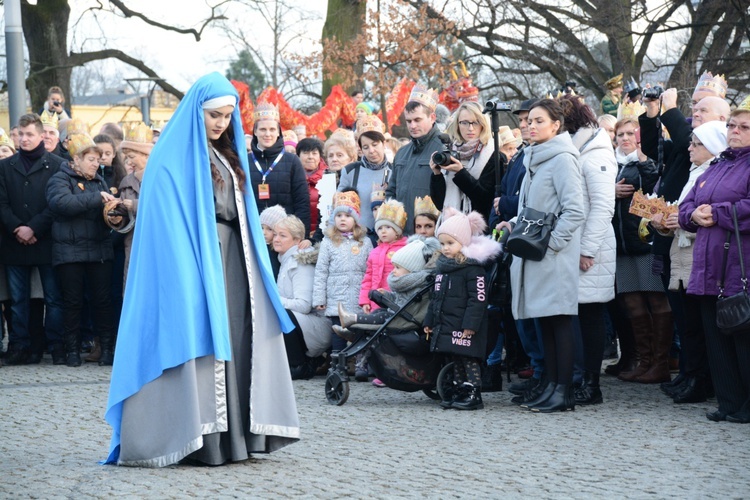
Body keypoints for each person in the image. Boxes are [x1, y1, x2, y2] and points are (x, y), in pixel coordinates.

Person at [104, 72, 299, 467]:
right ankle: (199, 438)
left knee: (237, 339)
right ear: (197, 111)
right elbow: (164, 220)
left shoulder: (228, 155)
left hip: (233, 260)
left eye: (227, 116)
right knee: (198, 343)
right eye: (213, 114)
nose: (220, 123)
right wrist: (187, 270)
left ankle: (236, 437)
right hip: (194, 261)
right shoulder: (169, 157)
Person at [497, 98, 585, 412]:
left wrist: (553, 245)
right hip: (536, 255)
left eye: (538, 121)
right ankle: (550, 384)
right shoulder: (536, 157)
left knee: (559, 321)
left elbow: (575, 210)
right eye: (529, 121)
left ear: (556, 125)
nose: (530, 126)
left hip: (552, 256)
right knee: (545, 321)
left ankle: (564, 391)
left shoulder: (562, 159)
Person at [678, 97, 750, 424]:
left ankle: (746, 404)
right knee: (716, 340)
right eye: (732, 125)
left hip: (739, 266)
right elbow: (686, 206)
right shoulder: (718, 165)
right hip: (708, 268)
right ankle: (729, 403)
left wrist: (716, 213)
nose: (734, 131)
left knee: (742, 339)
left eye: (743, 127)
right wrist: (693, 213)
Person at [651, 120, 727, 404]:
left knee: (697, 322)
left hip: (697, 254)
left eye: (697, 144)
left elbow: (700, 215)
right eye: (691, 142)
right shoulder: (695, 172)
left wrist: (680, 219)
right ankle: (689, 373)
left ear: (713, 148)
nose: (690, 147)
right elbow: (683, 213)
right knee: (686, 322)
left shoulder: (711, 175)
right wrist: (666, 222)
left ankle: (700, 378)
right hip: (681, 253)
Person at [558, 95, 617, 405]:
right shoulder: (574, 149)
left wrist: (588, 249)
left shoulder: (594, 152)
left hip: (590, 247)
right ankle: (577, 376)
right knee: (574, 315)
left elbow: (603, 205)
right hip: (571, 245)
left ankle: (592, 383)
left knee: (590, 314)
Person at [45, 132, 117, 367]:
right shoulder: (59, 179)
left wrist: (116, 214)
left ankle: (106, 349)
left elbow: (105, 212)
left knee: (102, 302)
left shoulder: (99, 181)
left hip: (99, 250)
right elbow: (61, 203)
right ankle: (72, 351)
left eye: (98, 160)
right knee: (72, 302)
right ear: (76, 159)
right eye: (91, 159)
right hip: (70, 253)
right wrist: (97, 199)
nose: (97, 163)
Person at [0, 113, 66, 365]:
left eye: (29, 134)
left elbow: (55, 203)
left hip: (45, 240)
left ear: (41, 135)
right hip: (14, 241)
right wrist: (18, 227)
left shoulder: (58, 164)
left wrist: (34, 228)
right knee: (17, 301)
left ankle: (56, 344)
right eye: (20, 134)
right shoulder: (5, 166)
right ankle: (19, 345)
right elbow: (2, 203)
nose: (24, 139)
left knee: (53, 297)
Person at [611, 117, 673, 384]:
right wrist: (607, 190)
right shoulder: (609, 165)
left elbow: (653, 182)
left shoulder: (646, 162)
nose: (625, 138)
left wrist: (643, 156)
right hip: (620, 245)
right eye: (620, 134)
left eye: (629, 134)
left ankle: (660, 363)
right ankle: (643, 361)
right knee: (632, 303)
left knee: (656, 301)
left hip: (646, 243)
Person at [425, 207, 501, 410]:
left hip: (465, 325)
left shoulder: (473, 269)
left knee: (468, 359)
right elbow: (436, 298)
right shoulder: (443, 269)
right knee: (455, 357)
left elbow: (478, 299)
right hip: (448, 323)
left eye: (450, 243)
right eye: (442, 244)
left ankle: (474, 392)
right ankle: (460, 389)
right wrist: (429, 321)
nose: (446, 248)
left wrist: (470, 325)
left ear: (464, 242)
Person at [312, 190, 372, 354]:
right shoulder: (328, 242)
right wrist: (319, 297)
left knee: (360, 330)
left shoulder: (365, 242)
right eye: (339, 216)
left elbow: (370, 270)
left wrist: (369, 297)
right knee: (337, 331)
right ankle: (337, 362)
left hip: (359, 297)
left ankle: (361, 362)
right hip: (336, 297)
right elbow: (321, 271)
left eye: (347, 215)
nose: (343, 219)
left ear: (356, 219)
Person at [273, 215, 332, 380]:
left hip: (318, 326)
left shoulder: (300, 263)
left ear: (297, 239)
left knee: (280, 314)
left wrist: (273, 300)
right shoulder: (286, 259)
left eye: (282, 235)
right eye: (275, 234)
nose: (276, 239)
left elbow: (304, 305)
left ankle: (299, 365)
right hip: (306, 324)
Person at [386, 84, 444, 233]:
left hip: (432, 235)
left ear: (432, 117)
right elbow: (391, 192)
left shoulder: (444, 149)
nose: (412, 125)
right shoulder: (402, 152)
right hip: (401, 233)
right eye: (409, 121)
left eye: (417, 120)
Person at [248, 103, 311, 234]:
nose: (267, 134)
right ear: (255, 131)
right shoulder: (245, 161)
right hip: (254, 232)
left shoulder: (292, 161)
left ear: (278, 132)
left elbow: (302, 202)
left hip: (284, 235)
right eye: (263, 129)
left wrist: (301, 235)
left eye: (272, 129)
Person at [430, 101, 496, 225]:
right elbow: (440, 204)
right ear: (457, 125)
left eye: (475, 122)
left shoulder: (493, 154)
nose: (470, 128)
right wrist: (436, 175)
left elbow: (485, 200)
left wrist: (461, 173)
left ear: (483, 124)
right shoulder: (450, 152)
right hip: (451, 229)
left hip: (480, 231)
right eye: (464, 123)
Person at [338, 115, 392, 230]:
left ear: (384, 143)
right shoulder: (350, 171)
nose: (371, 151)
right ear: (361, 149)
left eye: (375, 144)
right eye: (366, 147)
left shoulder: (395, 171)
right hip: (357, 237)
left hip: (387, 237)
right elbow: (339, 206)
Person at [117, 123, 154, 286]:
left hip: (154, 239)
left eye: (132, 156)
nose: (128, 161)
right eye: (126, 157)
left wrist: (135, 205)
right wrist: (117, 214)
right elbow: (125, 219)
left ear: (145, 155)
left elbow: (162, 205)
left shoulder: (159, 178)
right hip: (132, 242)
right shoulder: (126, 181)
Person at [296, 137, 327, 236]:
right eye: (305, 153)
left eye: (314, 153)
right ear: (298, 155)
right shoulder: (291, 176)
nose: (310, 157)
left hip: (322, 233)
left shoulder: (328, 176)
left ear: (320, 156)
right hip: (297, 233)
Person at [260, 205, 287, 280]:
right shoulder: (259, 247)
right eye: (262, 227)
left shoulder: (279, 251)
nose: (264, 232)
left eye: (269, 229)